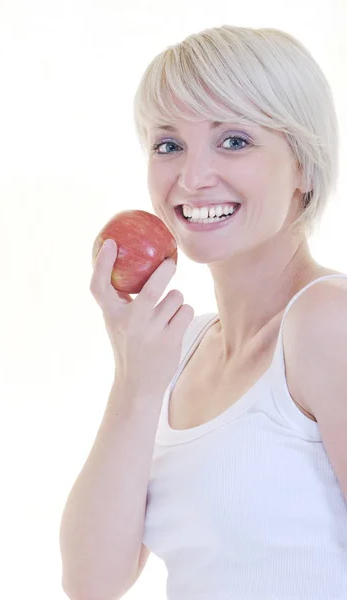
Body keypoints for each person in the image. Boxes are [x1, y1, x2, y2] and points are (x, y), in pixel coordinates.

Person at [60, 25, 347, 600]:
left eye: (234, 140)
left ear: (305, 169)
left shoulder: (327, 321)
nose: (192, 178)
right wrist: (135, 383)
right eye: (169, 145)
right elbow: (92, 582)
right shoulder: (182, 348)